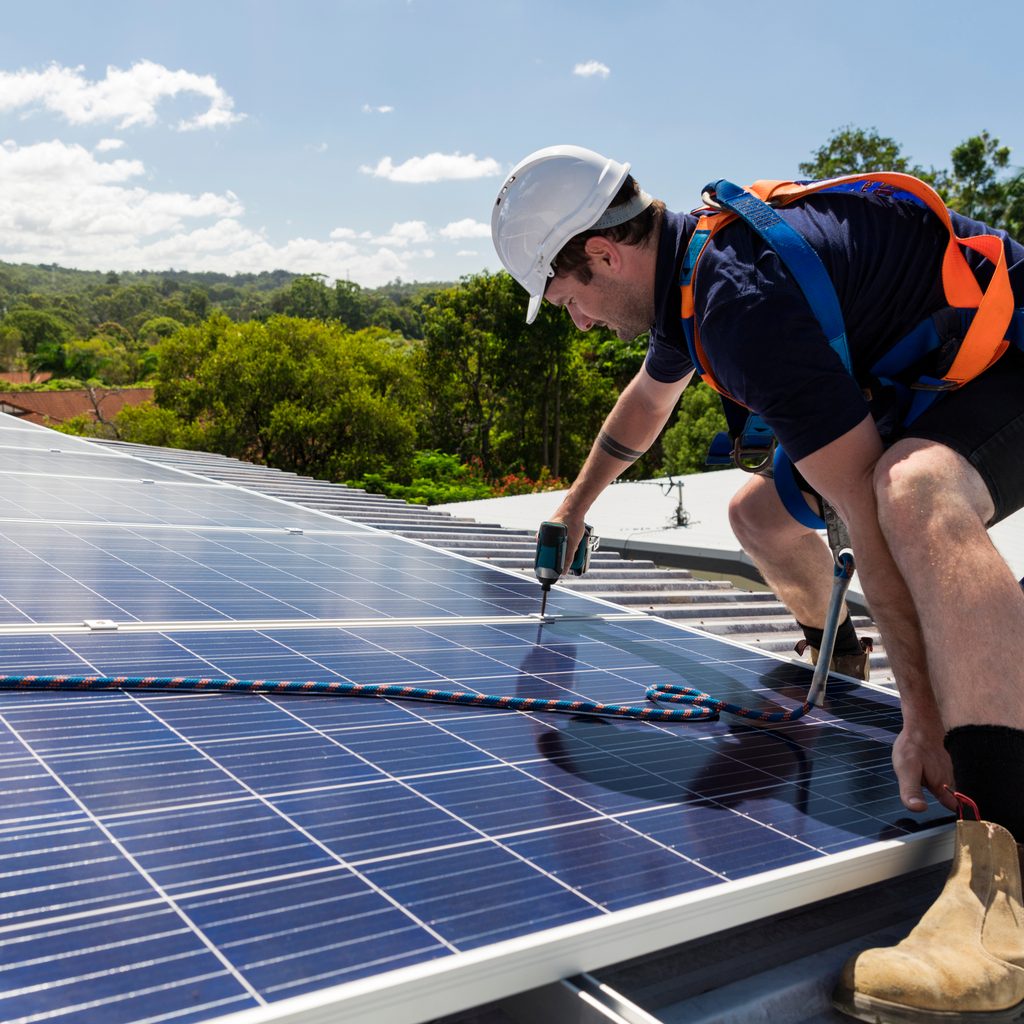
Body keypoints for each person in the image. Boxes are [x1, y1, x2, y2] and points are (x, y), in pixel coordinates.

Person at [491, 144, 1024, 1022]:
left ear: (603, 254)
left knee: (910, 493)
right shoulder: (686, 279)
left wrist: (925, 714)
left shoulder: (739, 301)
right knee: (758, 518)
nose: (579, 321)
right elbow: (647, 403)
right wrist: (576, 508)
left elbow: (861, 512)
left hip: (1007, 363)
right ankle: (836, 662)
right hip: (914, 388)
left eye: (568, 299)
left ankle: (1000, 874)